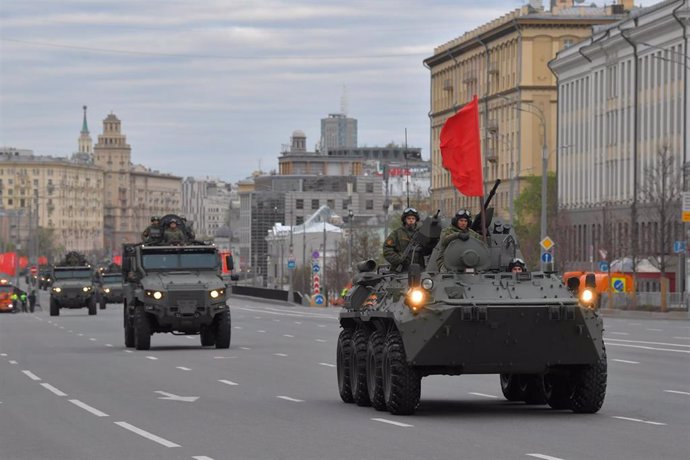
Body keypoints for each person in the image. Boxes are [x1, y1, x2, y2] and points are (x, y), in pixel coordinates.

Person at [383, 207, 425, 272]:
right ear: (405, 220)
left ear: (416, 220)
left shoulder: (421, 233)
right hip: (400, 271)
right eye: (409, 218)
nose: (411, 220)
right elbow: (387, 249)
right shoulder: (397, 233)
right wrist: (398, 259)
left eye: (413, 218)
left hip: (418, 269)